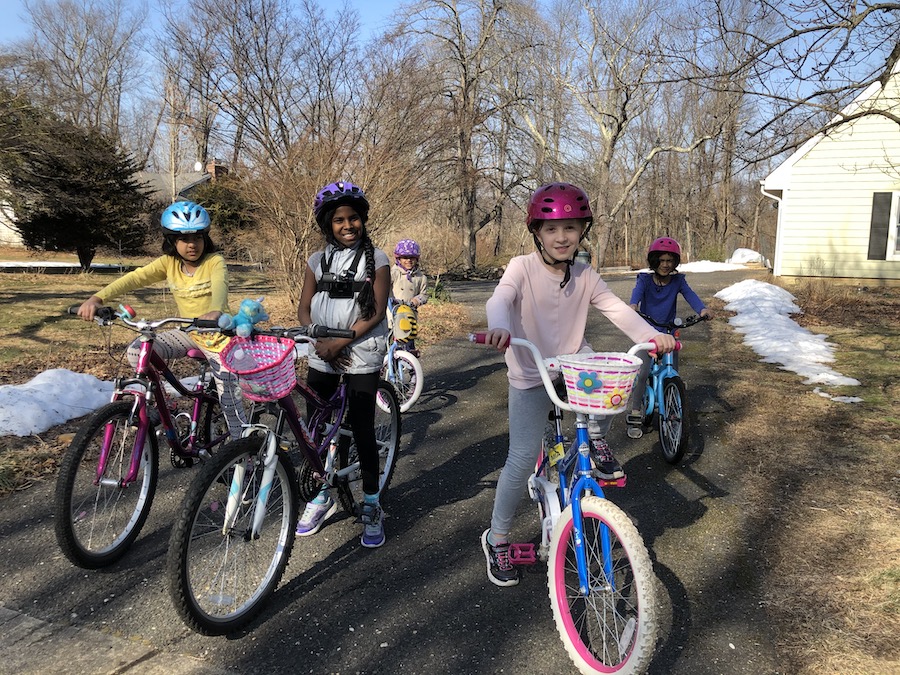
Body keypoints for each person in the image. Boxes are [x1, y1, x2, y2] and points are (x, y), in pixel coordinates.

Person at [480, 182, 677, 587]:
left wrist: (652, 337)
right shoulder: (521, 267)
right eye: (552, 229)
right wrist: (499, 325)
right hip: (531, 370)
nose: (562, 237)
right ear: (536, 231)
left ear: (582, 231)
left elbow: (618, 310)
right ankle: (496, 536)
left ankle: (596, 440)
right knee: (520, 458)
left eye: (571, 228)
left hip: (572, 363)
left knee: (615, 376)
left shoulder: (586, 275)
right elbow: (500, 298)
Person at [77, 200, 247, 440]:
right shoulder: (169, 263)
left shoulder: (213, 261)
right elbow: (135, 278)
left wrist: (216, 311)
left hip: (218, 336)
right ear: (171, 241)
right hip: (187, 333)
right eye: (184, 239)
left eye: (197, 238)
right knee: (138, 351)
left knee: (229, 397)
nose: (192, 245)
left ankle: (243, 452)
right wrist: (98, 298)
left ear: (205, 239)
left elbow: (220, 285)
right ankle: (166, 407)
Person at [295, 181, 391, 548]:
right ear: (328, 225)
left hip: (360, 349)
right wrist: (316, 339)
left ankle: (371, 502)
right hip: (322, 349)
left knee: (362, 427)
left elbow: (377, 311)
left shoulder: (378, 259)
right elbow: (305, 307)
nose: (347, 225)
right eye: (339, 220)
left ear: (362, 220)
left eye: (353, 218)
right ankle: (321, 494)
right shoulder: (317, 261)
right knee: (314, 427)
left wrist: (341, 342)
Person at [625, 236, 712, 438]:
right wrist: (633, 306)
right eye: (661, 260)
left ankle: (672, 404)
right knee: (644, 371)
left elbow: (691, 296)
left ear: (675, 262)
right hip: (646, 333)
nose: (665, 265)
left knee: (674, 373)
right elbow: (636, 295)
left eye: (670, 261)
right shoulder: (644, 280)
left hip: (668, 333)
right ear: (654, 261)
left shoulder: (678, 281)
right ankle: (636, 411)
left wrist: (702, 310)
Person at [390, 239, 428, 355]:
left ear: (417, 259)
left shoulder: (421, 277)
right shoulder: (394, 273)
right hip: (392, 314)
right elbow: (384, 285)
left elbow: (424, 294)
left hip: (409, 315)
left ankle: (413, 369)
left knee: (409, 342)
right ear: (398, 259)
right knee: (391, 342)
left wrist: (417, 300)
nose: (409, 261)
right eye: (405, 258)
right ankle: (389, 365)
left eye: (412, 258)